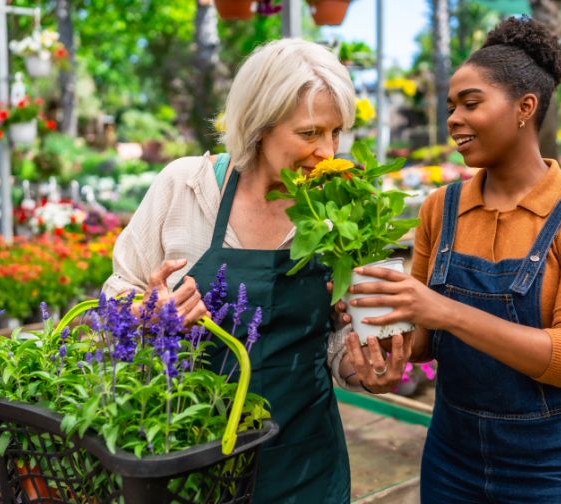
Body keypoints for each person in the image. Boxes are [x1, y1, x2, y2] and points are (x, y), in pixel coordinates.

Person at [102, 38, 409, 503]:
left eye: (336, 133)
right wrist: (149, 309)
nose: (327, 151)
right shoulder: (186, 188)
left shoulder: (338, 210)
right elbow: (113, 294)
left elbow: (331, 339)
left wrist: (364, 366)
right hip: (189, 452)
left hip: (304, 464)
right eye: (309, 134)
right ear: (258, 126)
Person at [346, 17, 561, 502]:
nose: (453, 118)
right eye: (451, 106)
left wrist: (446, 311)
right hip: (452, 456)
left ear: (525, 107)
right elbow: (424, 342)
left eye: (470, 103)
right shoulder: (442, 207)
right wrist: (383, 346)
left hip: (556, 467)